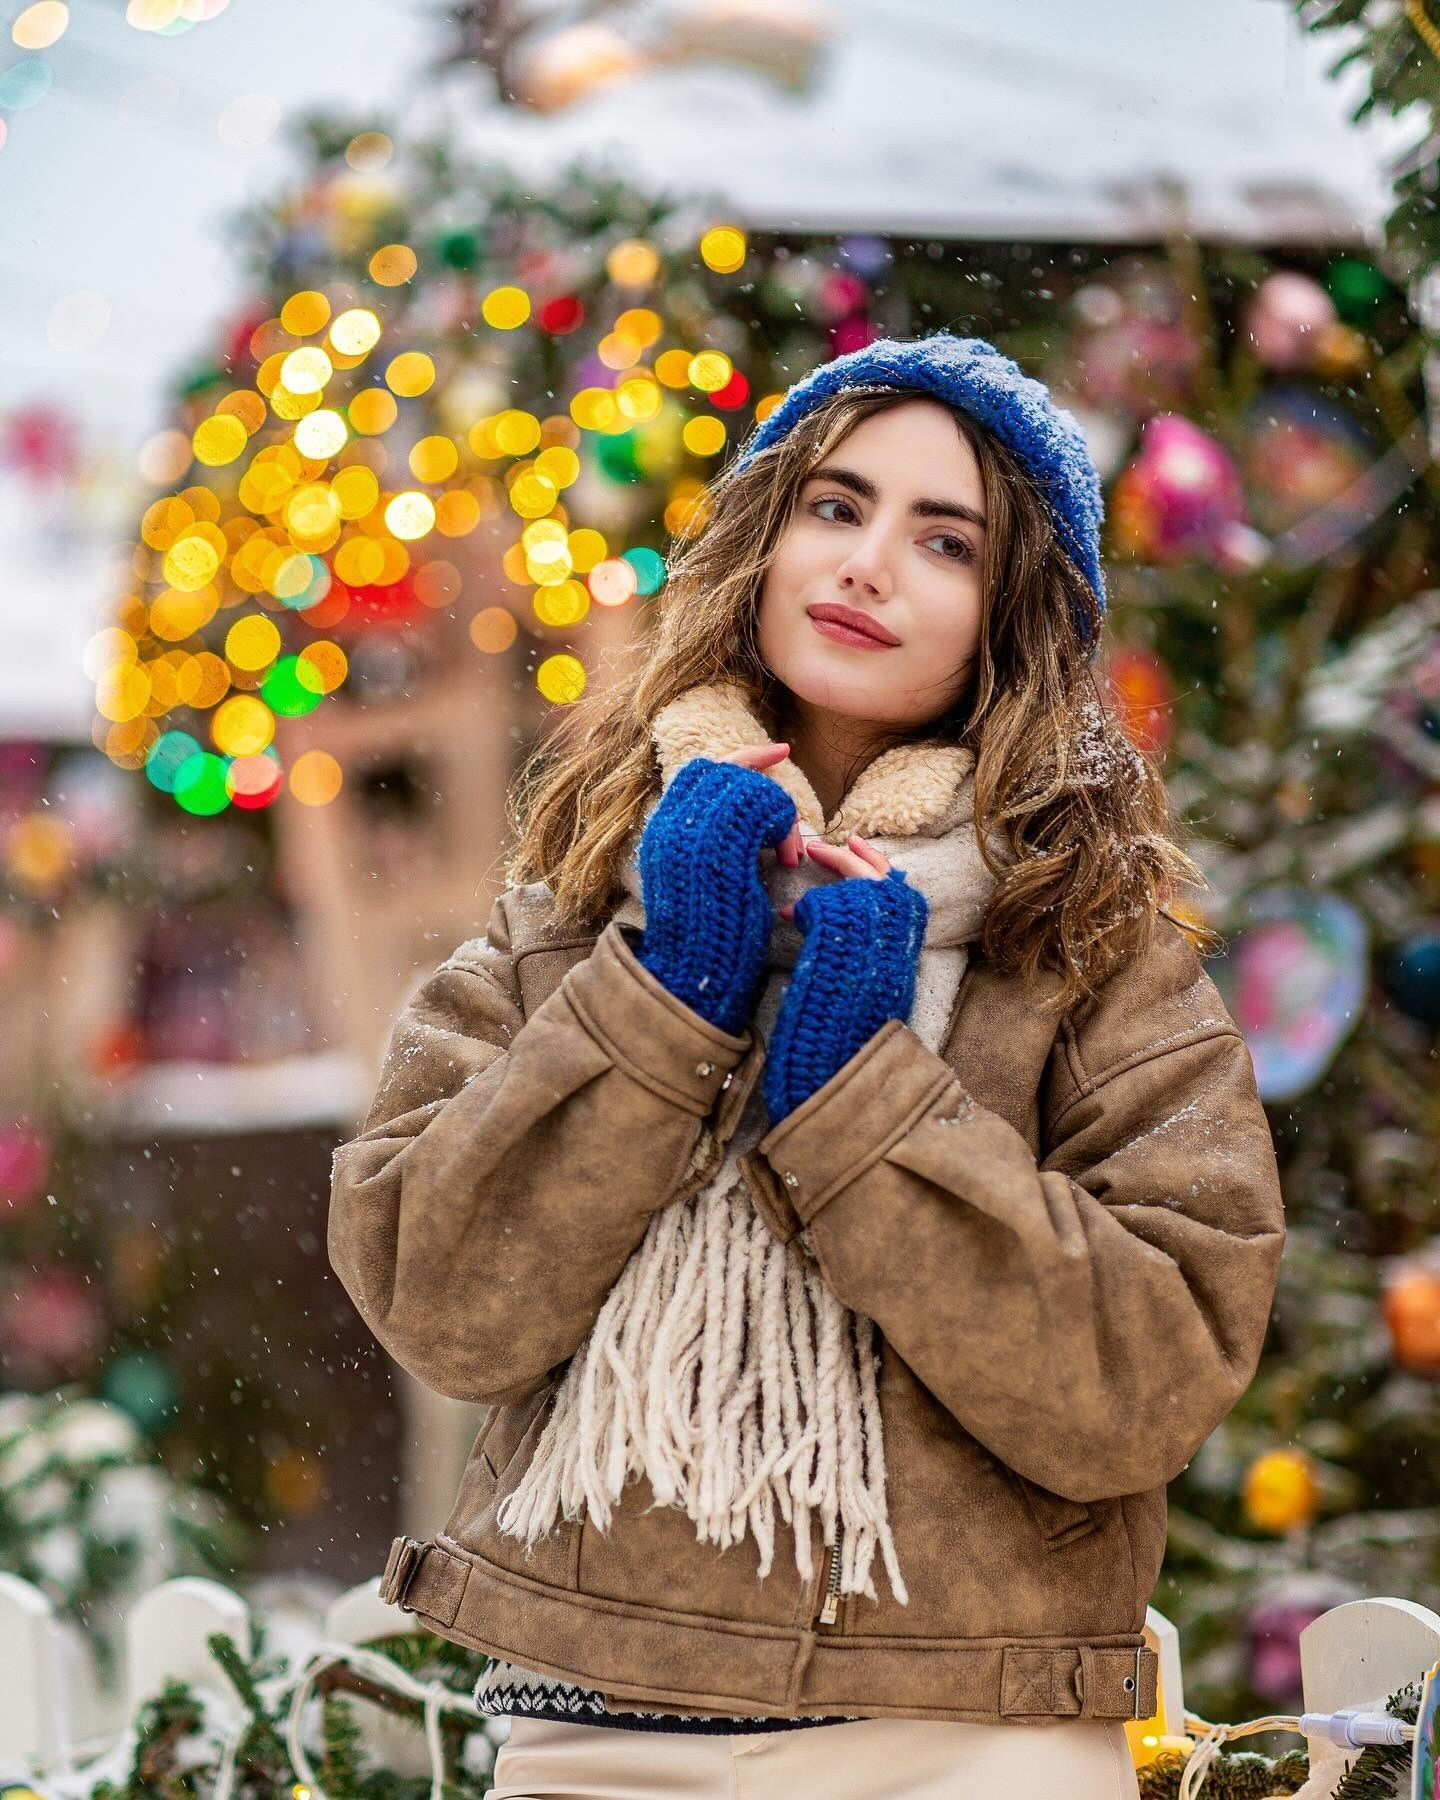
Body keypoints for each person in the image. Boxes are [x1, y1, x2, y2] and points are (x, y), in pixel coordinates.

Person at [328, 333, 1286, 1799]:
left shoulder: (1091, 957)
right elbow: (443, 1304)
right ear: (762, 542)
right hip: (597, 1728)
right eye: (834, 508)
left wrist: (861, 1100)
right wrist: (666, 995)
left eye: (943, 538)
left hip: (973, 1735)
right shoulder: (576, 918)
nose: (866, 564)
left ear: (1011, 617)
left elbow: (1144, 1380)